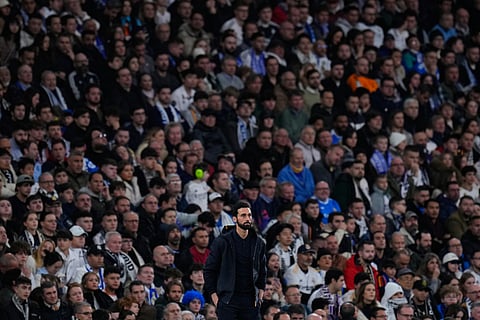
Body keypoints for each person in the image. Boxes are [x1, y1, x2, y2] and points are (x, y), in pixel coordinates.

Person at [204, 201, 267, 320]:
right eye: (243, 215)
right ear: (234, 219)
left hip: (250, 300)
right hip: (228, 299)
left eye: (249, 215)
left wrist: (261, 292)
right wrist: (215, 297)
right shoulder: (222, 242)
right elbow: (209, 270)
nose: (247, 218)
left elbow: (262, 270)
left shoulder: (258, 242)